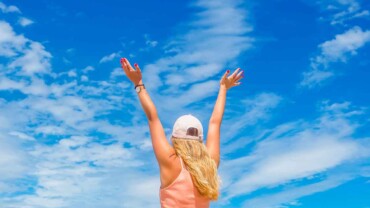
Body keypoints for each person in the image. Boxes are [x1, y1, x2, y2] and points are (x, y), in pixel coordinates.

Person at [120, 57, 243, 208]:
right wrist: (223, 89)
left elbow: (153, 117)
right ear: (200, 140)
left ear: (175, 138)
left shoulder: (170, 161)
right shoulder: (210, 165)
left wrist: (138, 83)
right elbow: (215, 123)